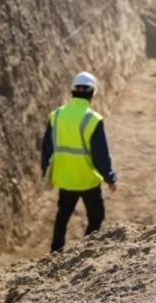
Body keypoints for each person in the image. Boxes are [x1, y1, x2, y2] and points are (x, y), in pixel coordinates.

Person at [41, 71, 118, 253]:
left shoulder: (56, 115)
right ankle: (87, 252)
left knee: (62, 216)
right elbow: (101, 155)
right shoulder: (93, 119)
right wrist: (110, 178)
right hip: (87, 179)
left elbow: (46, 148)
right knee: (96, 216)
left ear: (72, 91)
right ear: (93, 93)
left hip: (65, 178)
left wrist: (46, 173)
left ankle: (55, 252)